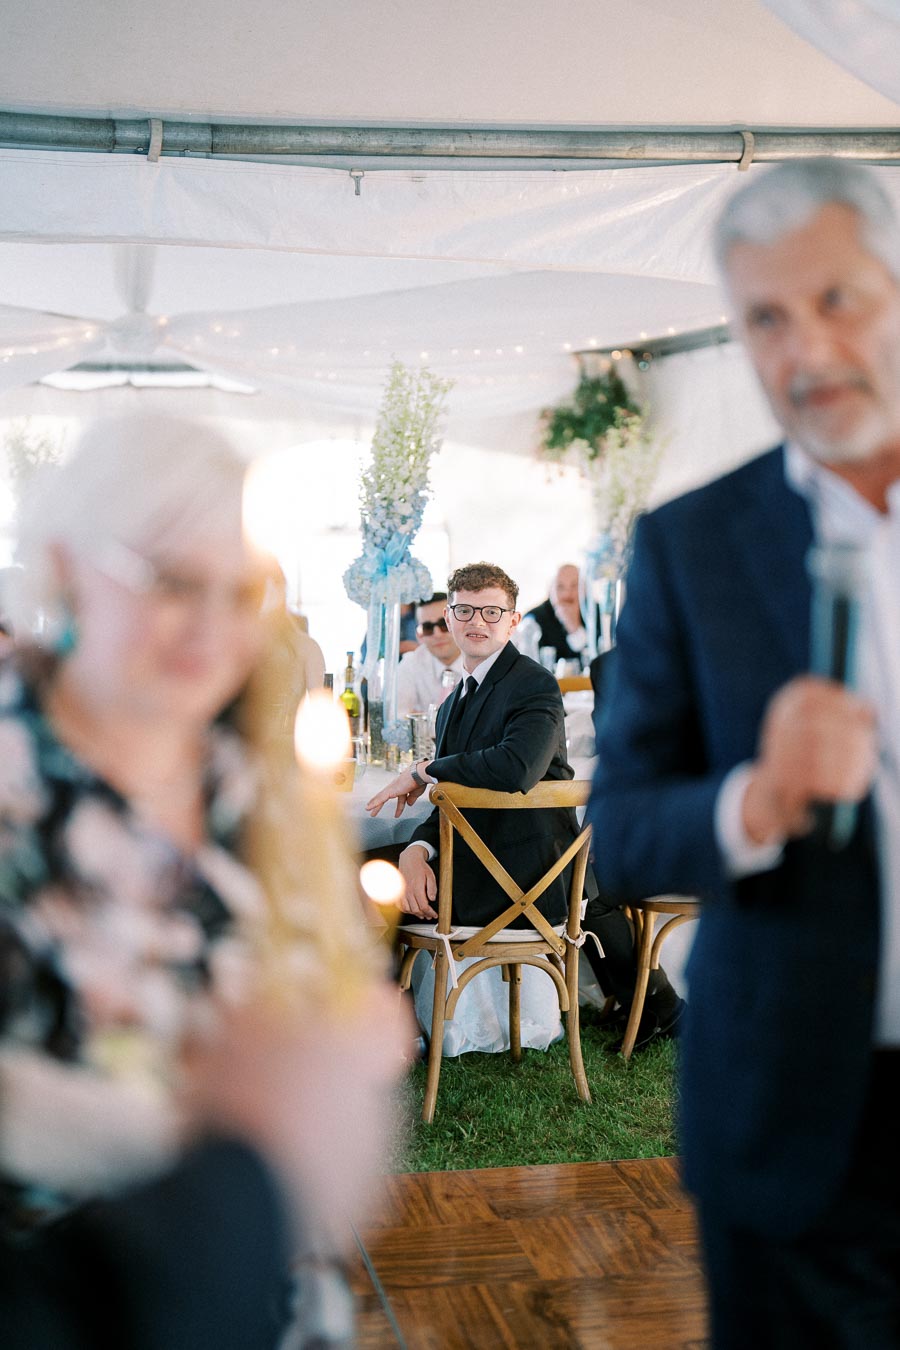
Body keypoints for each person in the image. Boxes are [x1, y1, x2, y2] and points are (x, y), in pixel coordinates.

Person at [0, 413, 406, 1345]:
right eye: (174, 583)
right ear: (65, 565)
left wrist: (346, 1035)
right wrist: (237, 1125)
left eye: (244, 592)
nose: (215, 631)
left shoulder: (256, 781)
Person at [589, 157, 900, 1348]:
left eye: (839, 301)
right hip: (793, 1120)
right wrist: (757, 799)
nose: (806, 351)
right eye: (767, 318)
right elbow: (620, 833)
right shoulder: (690, 546)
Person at [366, 561, 680, 1048]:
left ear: (514, 621)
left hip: (524, 877)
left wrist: (424, 771)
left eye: (492, 611)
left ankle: (391, 1034)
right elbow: (450, 802)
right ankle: (389, 1024)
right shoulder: (453, 704)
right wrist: (416, 853)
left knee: (362, 881)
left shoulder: (533, 685)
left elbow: (515, 768)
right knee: (367, 872)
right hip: (474, 860)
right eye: (465, 610)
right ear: (448, 618)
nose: (478, 621)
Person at [395, 591, 464, 719]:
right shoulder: (411, 664)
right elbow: (398, 717)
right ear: (419, 636)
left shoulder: (483, 661)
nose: (437, 634)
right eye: (427, 628)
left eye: (444, 624)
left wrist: (421, 719)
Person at [518, 562, 589, 667]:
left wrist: (575, 628)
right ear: (550, 589)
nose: (567, 594)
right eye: (560, 587)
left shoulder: (597, 614)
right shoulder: (534, 619)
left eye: (574, 586)